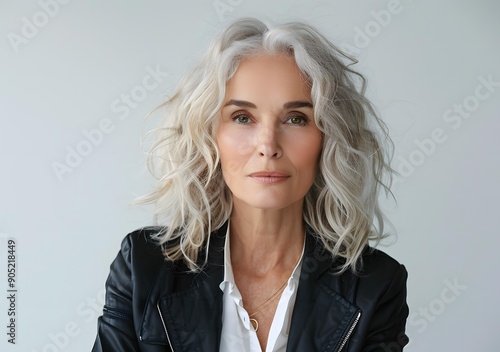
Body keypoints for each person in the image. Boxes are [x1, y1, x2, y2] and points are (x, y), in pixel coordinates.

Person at [92, 17, 409, 352]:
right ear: (210, 135)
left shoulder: (376, 284)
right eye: (242, 117)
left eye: (295, 118)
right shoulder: (144, 266)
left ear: (327, 137)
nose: (268, 144)